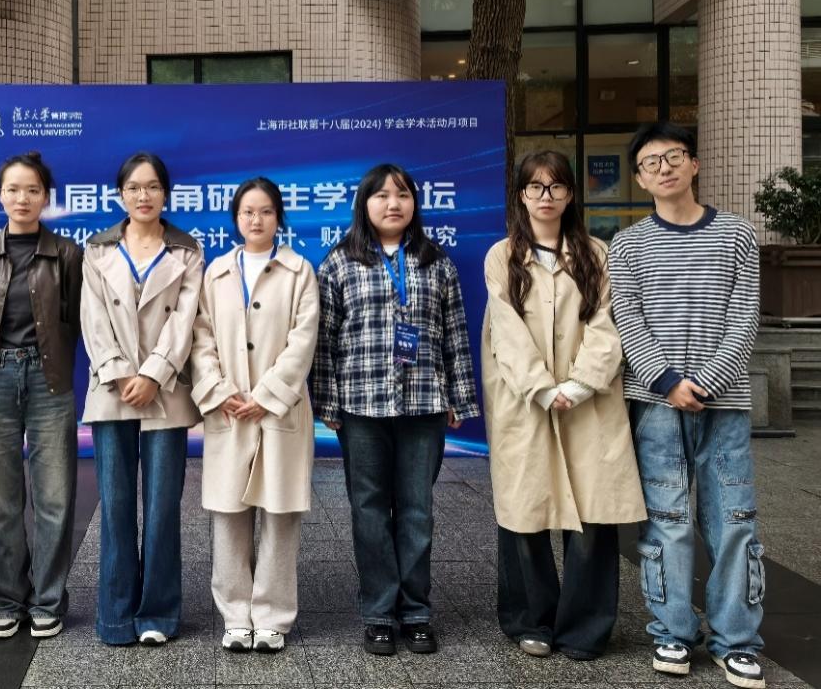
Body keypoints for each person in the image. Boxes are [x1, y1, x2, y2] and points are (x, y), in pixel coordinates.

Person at [609, 123, 765, 689]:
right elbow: (628, 320)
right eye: (651, 162)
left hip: (726, 404)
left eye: (673, 156)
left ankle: (736, 640)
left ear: (693, 164)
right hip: (655, 404)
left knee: (733, 521)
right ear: (639, 178)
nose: (664, 168)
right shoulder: (626, 245)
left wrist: (707, 382)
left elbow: (746, 317)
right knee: (668, 521)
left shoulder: (737, 234)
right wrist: (669, 381)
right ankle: (672, 631)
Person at [481, 151, 645, 661]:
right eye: (535, 187)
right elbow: (505, 329)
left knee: (594, 514)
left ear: (571, 194)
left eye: (555, 187)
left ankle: (585, 628)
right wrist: (541, 387)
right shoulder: (502, 256)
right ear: (521, 196)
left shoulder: (597, 253)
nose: (545, 196)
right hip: (525, 402)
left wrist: (580, 384)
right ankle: (530, 619)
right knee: (524, 513)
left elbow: (607, 325)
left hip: (588, 403)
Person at [311, 163, 479, 657]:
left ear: (414, 204)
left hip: (424, 403)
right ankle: (379, 613)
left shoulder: (436, 261)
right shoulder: (339, 262)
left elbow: (455, 332)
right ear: (364, 204)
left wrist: (459, 397)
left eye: (402, 195)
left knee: (416, 510)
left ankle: (416, 611)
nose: (393, 204)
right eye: (382, 195)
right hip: (361, 405)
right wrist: (327, 402)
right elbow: (324, 341)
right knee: (368, 510)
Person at [190, 177, 320, 654]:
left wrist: (267, 395)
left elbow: (303, 341)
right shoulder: (217, 272)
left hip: (278, 412)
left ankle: (272, 616)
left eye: (266, 211)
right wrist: (218, 390)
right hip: (229, 412)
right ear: (236, 218)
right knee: (228, 515)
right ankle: (235, 615)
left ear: (278, 217)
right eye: (248, 211)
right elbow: (200, 338)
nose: (256, 219)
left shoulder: (299, 271)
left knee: (281, 515)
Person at [80, 152, 203, 646]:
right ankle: (114, 616)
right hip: (112, 390)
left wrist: (154, 372)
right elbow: (93, 318)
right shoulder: (97, 249)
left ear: (165, 193)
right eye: (133, 187)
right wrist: (119, 372)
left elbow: (186, 320)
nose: (143, 196)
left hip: (165, 390)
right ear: (120, 195)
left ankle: (158, 614)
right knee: (115, 506)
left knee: (162, 507)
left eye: (152, 187)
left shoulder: (187, 251)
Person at [0, 151, 83, 641]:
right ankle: (6, 599)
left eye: (32, 190)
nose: (22, 198)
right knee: (0, 500)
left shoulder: (67, 254)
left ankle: (48, 600)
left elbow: (79, 320)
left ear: (45, 197)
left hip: (48, 379)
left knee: (54, 497)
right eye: (13, 189)